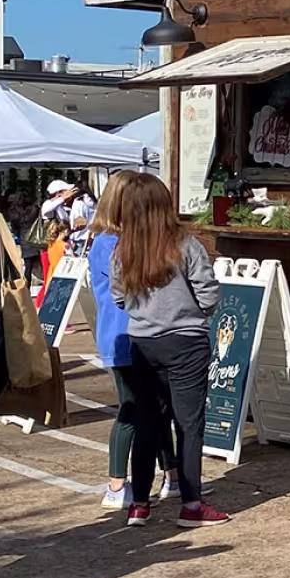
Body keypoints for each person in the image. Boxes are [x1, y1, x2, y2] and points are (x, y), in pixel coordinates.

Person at [111, 173, 229, 529]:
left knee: (148, 421)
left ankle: (139, 504)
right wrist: (192, 311)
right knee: (189, 424)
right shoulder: (186, 244)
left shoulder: (123, 249)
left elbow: (118, 297)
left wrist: (146, 312)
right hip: (186, 341)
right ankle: (192, 504)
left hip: (143, 341)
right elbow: (208, 292)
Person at [88, 171, 194, 510]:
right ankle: (117, 484)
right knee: (132, 410)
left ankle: (171, 474)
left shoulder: (107, 242)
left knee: (156, 410)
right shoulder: (113, 244)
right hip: (128, 338)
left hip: (128, 336)